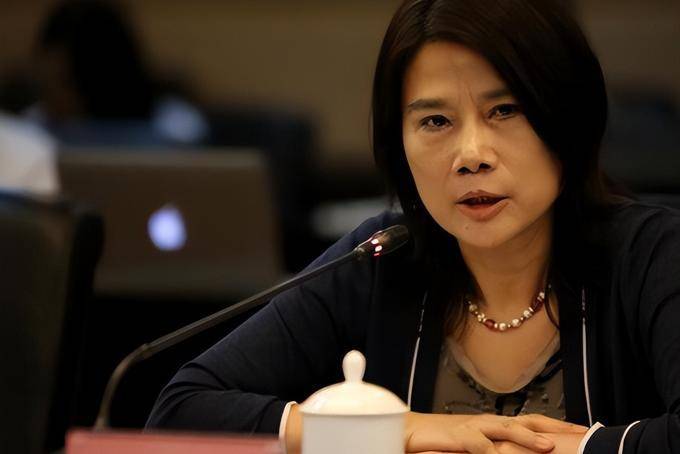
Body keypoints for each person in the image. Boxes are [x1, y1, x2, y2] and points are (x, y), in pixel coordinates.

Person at [146, 0, 680, 453]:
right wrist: (394, 430)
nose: (471, 155)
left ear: (569, 117)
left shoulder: (652, 254)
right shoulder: (381, 259)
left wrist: (583, 448)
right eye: (435, 121)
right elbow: (180, 412)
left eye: (505, 110)